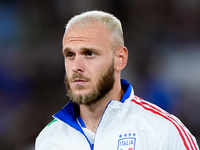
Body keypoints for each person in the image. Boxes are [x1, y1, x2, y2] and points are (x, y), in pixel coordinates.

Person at [35, 10, 199, 150]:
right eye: (70, 55)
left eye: (89, 54)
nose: (76, 66)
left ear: (120, 59)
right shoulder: (48, 139)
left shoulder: (162, 131)